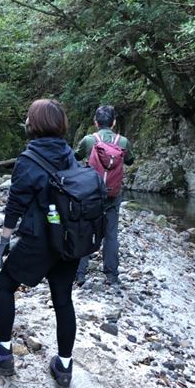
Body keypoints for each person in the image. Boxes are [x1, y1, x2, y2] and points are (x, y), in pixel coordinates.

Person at [0, 99, 79, 388]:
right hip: (68, 240)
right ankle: (64, 367)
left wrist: (4, 240)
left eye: (28, 118)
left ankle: (3, 354)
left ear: (34, 125)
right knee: (63, 299)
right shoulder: (70, 154)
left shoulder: (28, 159)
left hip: (39, 239)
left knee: (5, 285)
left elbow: (16, 205)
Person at [74, 105, 134, 287]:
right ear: (114, 122)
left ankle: (80, 273)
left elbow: (76, 157)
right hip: (113, 195)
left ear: (96, 122)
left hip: (90, 194)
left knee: (86, 231)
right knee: (111, 235)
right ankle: (111, 275)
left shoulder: (88, 140)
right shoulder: (123, 142)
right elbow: (130, 161)